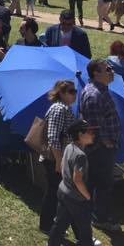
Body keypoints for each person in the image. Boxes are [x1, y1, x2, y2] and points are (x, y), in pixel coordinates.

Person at [79, 58, 121, 232]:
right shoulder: (94, 94)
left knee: (96, 181)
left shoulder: (100, 90)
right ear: (96, 73)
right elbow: (94, 125)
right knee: (102, 183)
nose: (111, 71)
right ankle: (100, 218)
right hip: (100, 148)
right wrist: (107, 142)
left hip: (102, 146)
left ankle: (91, 213)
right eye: (107, 69)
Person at [47, 118, 98, 246]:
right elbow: (77, 179)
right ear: (80, 135)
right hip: (75, 198)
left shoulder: (70, 147)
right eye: (90, 132)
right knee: (85, 229)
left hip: (63, 191)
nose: (93, 134)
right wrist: (87, 196)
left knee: (60, 224)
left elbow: (64, 164)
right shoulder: (80, 155)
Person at [39, 80, 77, 234]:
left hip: (59, 158)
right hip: (55, 159)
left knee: (57, 193)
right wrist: (59, 161)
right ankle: (48, 226)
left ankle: (51, 224)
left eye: (75, 91)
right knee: (57, 193)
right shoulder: (59, 109)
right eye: (71, 91)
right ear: (61, 93)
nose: (75, 94)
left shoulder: (65, 109)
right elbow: (53, 137)